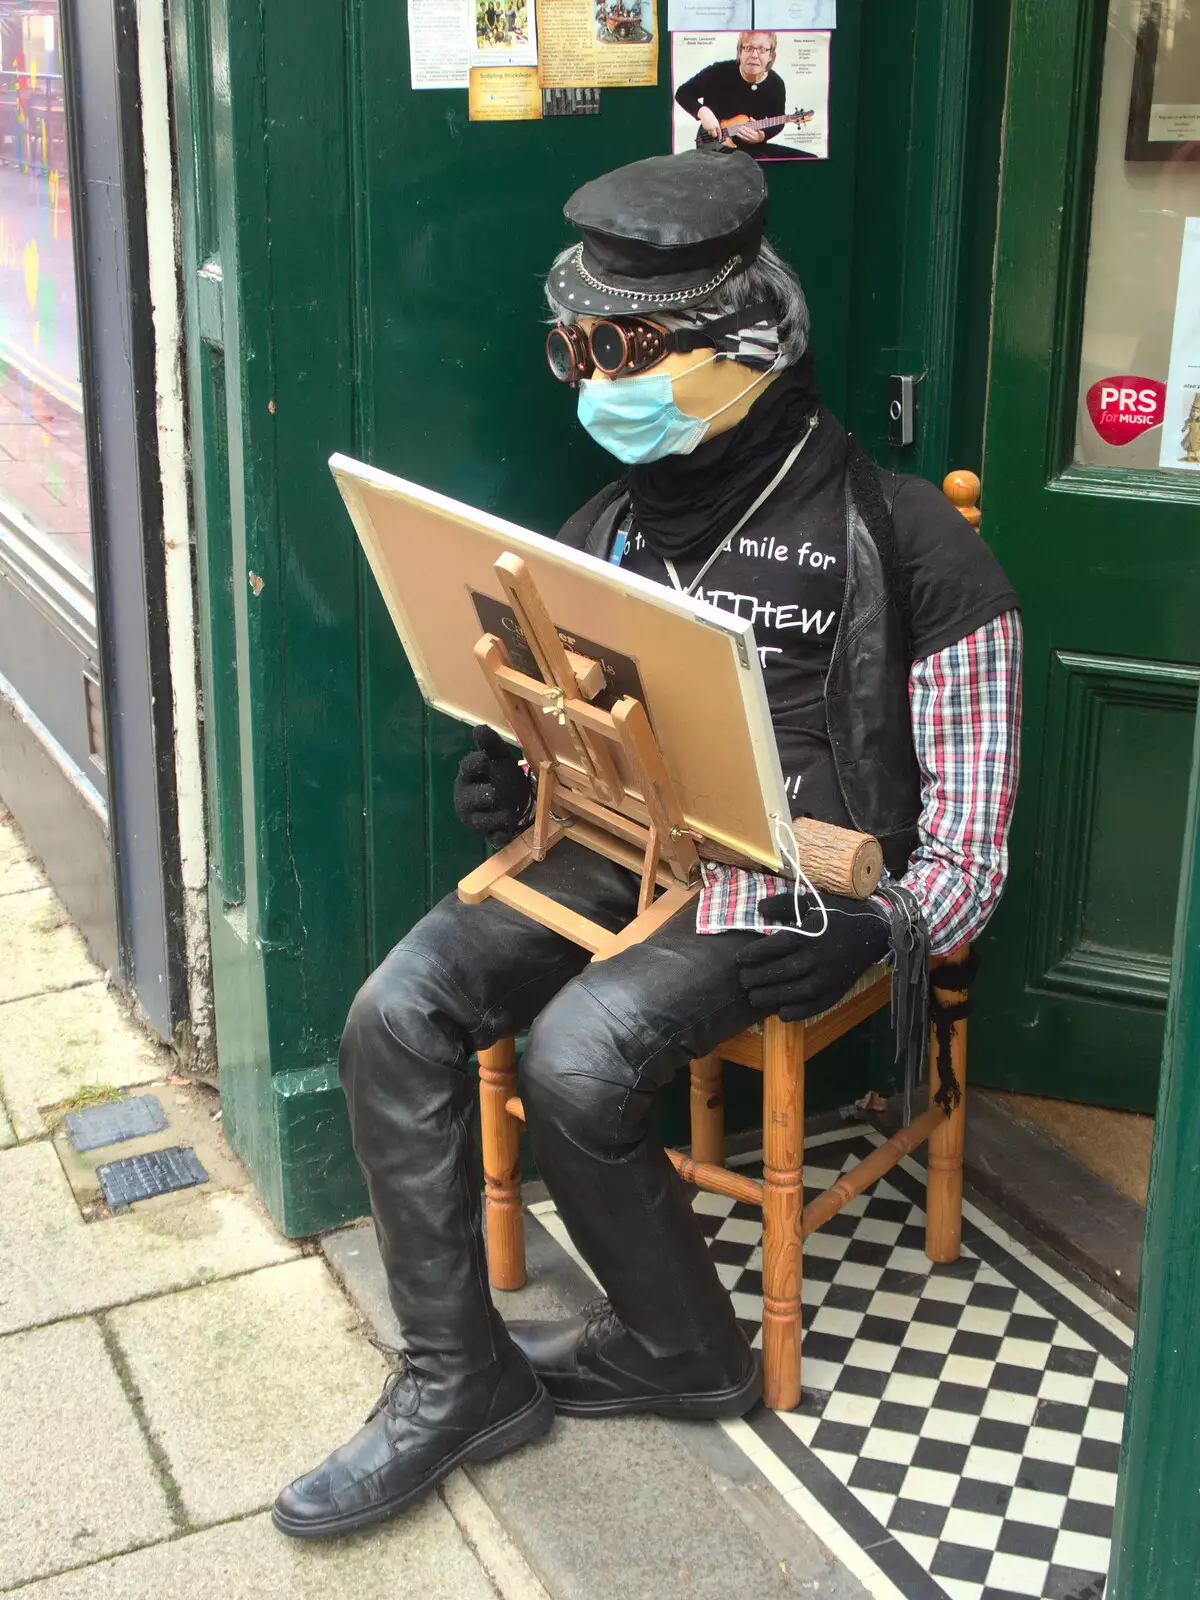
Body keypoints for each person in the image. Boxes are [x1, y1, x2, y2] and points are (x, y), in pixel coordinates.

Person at [272, 148, 1022, 1539]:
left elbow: (972, 844)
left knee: (579, 1053)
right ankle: (455, 1382)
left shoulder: (909, 542)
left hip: (793, 879)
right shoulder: (606, 527)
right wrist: (510, 775)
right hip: (614, 840)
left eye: (628, 351)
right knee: (394, 1016)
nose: (593, 382)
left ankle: (685, 1351)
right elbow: (546, 718)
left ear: (746, 352)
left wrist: (888, 920)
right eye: (577, 348)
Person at [675, 32, 799, 158]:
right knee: (759, 163)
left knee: (803, 159)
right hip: (716, 146)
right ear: (740, 51)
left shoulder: (775, 83)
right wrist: (701, 111)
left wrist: (762, 135)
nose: (754, 55)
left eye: (762, 49)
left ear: (771, 56)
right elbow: (683, 93)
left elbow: (778, 121)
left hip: (753, 146)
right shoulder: (718, 72)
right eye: (749, 48)